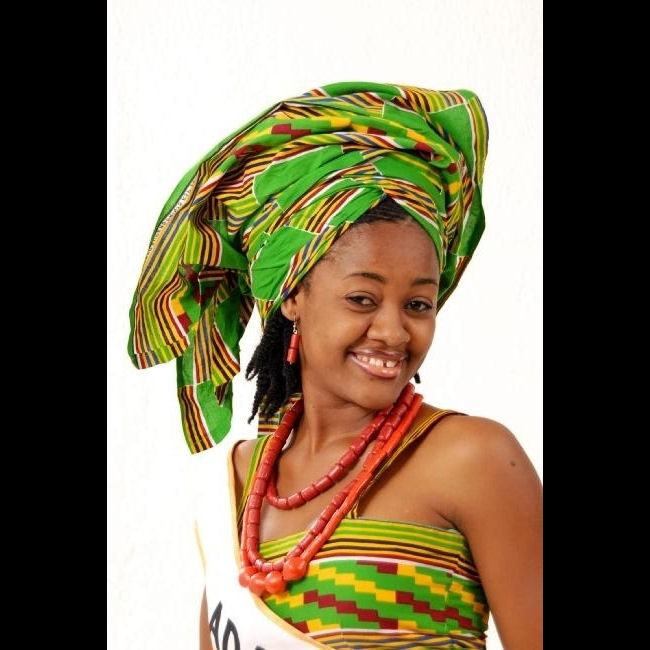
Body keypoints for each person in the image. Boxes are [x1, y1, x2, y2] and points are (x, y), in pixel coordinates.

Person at [128, 82, 542, 649]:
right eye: (362, 299)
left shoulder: (474, 459)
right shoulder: (238, 486)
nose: (393, 332)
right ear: (292, 296)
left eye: (418, 304)